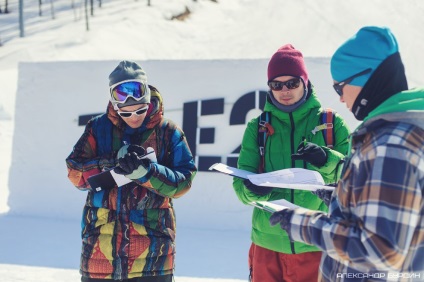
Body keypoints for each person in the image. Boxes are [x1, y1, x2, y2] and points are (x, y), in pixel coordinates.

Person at [269, 26, 424, 281]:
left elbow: (381, 249)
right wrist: (340, 197)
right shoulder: (397, 132)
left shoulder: (391, 144)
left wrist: (301, 223)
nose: (340, 99)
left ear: (366, 79)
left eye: (340, 87)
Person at [66, 60, 197, 282]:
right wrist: (111, 165)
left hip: (153, 257)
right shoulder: (97, 128)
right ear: (114, 106)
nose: (134, 117)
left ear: (149, 101)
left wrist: (147, 172)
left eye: (140, 110)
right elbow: (75, 174)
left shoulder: (168, 132)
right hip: (100, 255)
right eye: (126, 113)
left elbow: (183, 183)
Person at [232, 44, 350, 282]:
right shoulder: (258, 128)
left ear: (304, 82)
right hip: (267, 244)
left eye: (292, 83)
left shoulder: (331, 123)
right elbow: (240, 184)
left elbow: (353, 179)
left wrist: (327, 160)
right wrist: (251, 189)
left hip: (316, 243)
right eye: (277, 84)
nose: (284, 90)